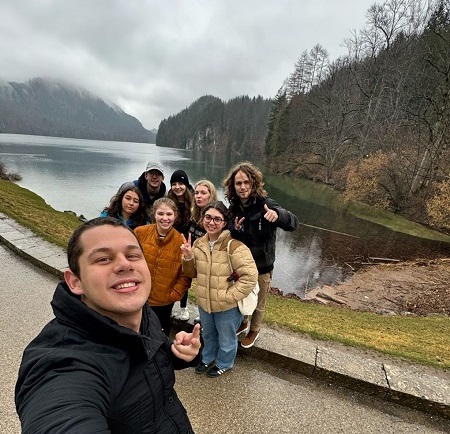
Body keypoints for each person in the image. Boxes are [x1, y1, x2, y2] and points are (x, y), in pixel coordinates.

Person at [15, 217, 201, 433]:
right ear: (75, 281)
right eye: (103, 259)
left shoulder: (142, 313)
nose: (124, 264)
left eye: (133, 255)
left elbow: (146, 354)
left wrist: (177, 353)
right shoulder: (62, 363)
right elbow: (58, 413)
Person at [223, 161, 299, 348]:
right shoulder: (234, 207)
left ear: (254, 183)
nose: (243, 187)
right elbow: (232, 230)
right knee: (243, 297)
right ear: (233, 186)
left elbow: (294, 223)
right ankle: (244, 321)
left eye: (246, 182)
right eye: (238, 183)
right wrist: (235, 228)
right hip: (242, 265)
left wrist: (278, 215)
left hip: (263, 266)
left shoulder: (267, 204)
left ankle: (254, 329)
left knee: (258, 302)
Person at [181, 201, 258, 377]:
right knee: (208, 335)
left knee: (227, 339)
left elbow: (250, 277)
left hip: (227, 306)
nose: (211, 222)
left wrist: (229, 297)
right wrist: (187, 257)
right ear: (202, 219)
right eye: (208, 217)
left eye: (217, 219)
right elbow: (192, 273)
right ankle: (207, 358)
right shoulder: (199, 244)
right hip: (205, 303)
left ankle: (225, 363)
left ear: (224, 223)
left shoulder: (235, 246)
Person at [134, 197, 190, 336]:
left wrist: (175, 294)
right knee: (134, 331)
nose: (165, 218)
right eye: (160, 214)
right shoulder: (140, 233)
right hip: (137, 295)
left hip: (163, 302)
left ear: (175, 216)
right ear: (154, 214)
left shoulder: (180, 241)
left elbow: (186, 273)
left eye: (169, 214)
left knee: (159, 334)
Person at [186, 179, 218, 322]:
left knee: (211, 289)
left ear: (211, 195)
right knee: (201, 289)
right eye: (197, 193)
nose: (198, 196)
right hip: (198, 257)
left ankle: (211, 315)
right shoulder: (194, 214)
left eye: (203, 193)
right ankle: (202, 314)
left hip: (213, 261)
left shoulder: (217, 214)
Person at [168, 169, 194, 321]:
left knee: (185, 276)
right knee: (171, 275)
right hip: (172, 243)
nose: (177, 187)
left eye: (181, 183)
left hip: (188, 244)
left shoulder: (193, 202)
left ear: (186, 185)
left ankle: (184, 308)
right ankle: (170, 305)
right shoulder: (169, 201)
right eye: (174, 184)